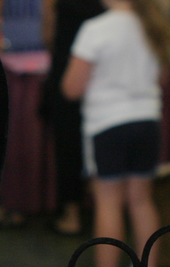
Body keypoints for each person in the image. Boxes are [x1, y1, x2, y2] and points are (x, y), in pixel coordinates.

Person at [61, 0, 170, 267]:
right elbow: (162, 78)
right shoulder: (157, 26)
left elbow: (72, 88)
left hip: (107, 124)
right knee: (141, 200)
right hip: (147, 121)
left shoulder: (96, 29)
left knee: (108, 202)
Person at [40, 0, 103, 235]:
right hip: (101, 67)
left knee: (67, 138)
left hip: (67, 58)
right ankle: (104, 209)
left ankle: (72, 212)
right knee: (99, 139)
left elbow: (47, 29)